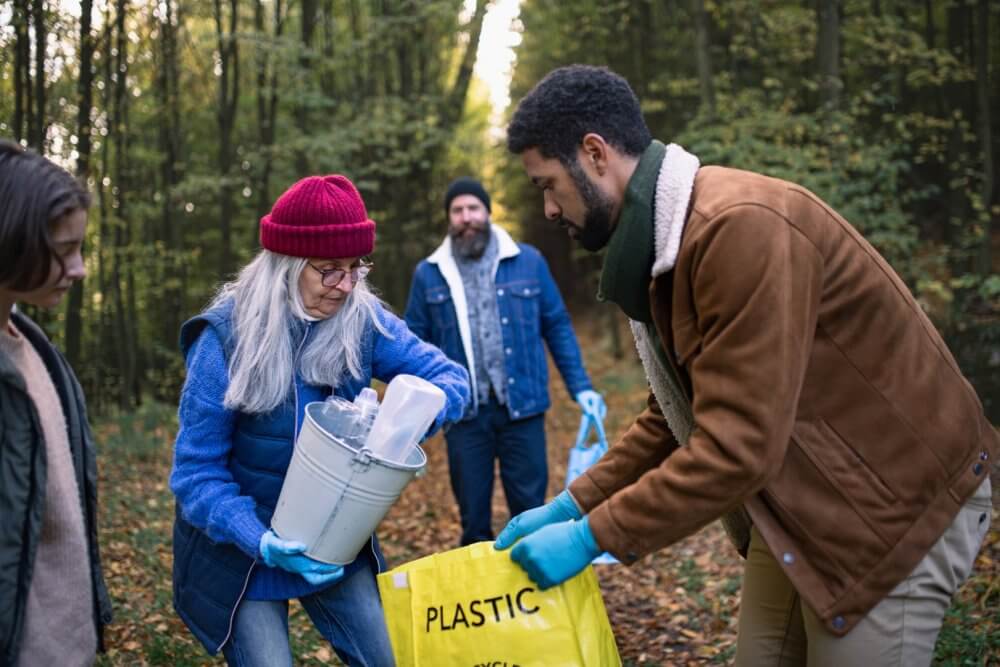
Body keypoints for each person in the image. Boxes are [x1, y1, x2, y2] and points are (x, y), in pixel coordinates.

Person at [494, 65, 998, 666]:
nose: (548, 209)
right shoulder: (663, 247)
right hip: (800, 504)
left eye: (548, 184)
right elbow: (674, 414)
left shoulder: (737, 229)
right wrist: (573, 504)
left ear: (595, 153)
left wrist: (590, 538)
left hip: (891, 511)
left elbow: (739, 447)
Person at [170, 174, 470, 666]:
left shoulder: (362, 319)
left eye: (356, 269)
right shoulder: (224, 338)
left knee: (387, 657)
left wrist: (405, 424)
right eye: (329, 270)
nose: (346, 286)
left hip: (334, 538)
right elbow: (195, 473)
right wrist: (259, 539)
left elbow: (449, 377)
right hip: (242, 549)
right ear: (286, 266)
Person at [404, 177, 606, 546]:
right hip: (464, 416)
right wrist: (415, 413)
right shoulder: (428, 274)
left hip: (523, 409)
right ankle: (486, 595)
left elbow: (557, 324)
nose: (466, 217)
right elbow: (413, 346)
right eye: (458, 210)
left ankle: (534, 592)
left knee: (530, 512)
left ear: (487, 211)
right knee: (473, 518)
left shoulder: (528, 261)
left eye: (473, 208)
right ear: (449, 218)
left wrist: (581, 388)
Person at [0, 140, 113, 666]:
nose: (80, 268)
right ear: (13, 240)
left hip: (65, 645)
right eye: (65, 250)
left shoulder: (34, 348)